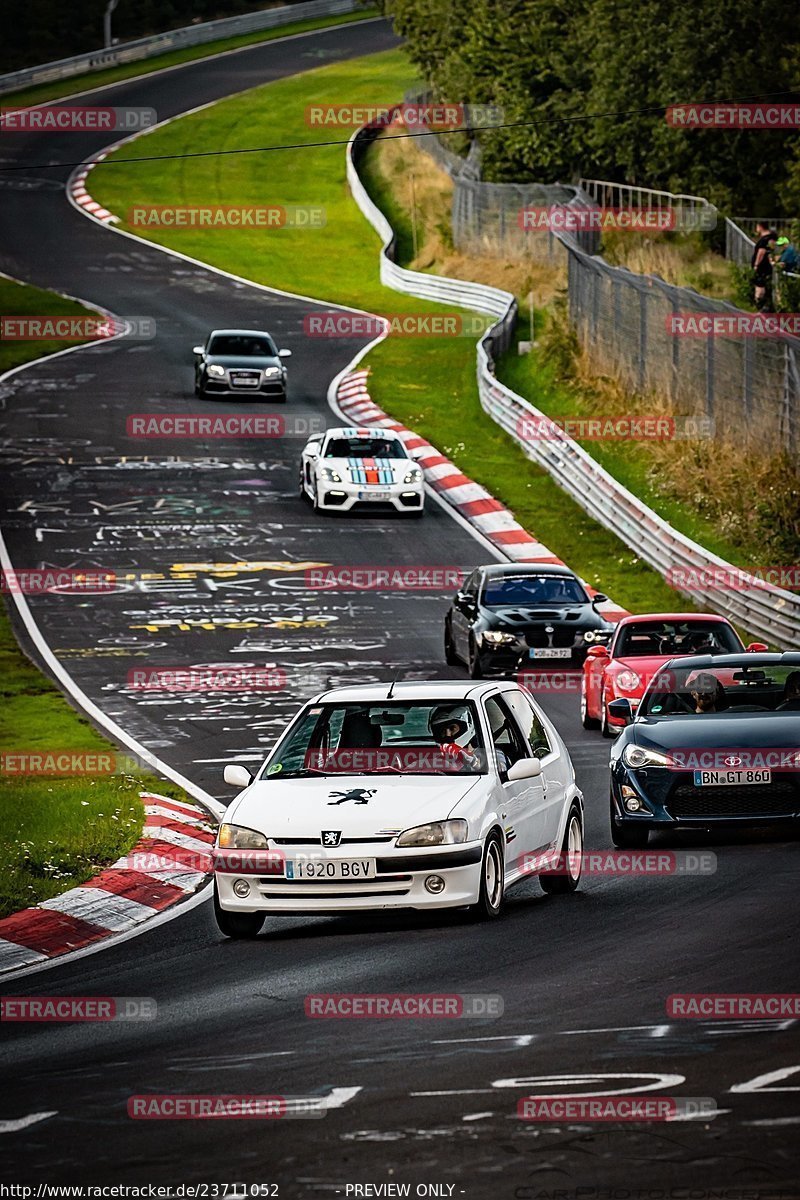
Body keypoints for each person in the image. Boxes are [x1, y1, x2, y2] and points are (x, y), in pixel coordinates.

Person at [429, 704, 481, 772]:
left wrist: (473, 762)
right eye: (442, 731)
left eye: (452, 728)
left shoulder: (487, 751)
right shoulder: (432, 758)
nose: (448, 735)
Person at [751, 221, 776, 311]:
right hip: (768, 266)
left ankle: (759, 303)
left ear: (760, 227)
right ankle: (764, 303)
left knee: (760, 284)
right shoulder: (772, 238)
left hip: (762, 266)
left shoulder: (764, 240)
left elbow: (761, 252)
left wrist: (756, 264)